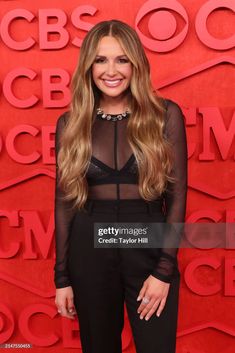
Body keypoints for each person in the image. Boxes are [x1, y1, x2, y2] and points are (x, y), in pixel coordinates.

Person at [54, 19, 187, 353]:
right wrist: (62, 278)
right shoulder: (71, 123)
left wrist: (163, 271)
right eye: (101, 59)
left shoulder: (164, 115)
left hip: (148, 246)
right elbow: (65, 201)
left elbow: (176, 195)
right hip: (89, 249)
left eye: (121, 59)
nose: (111, 70)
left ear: (136, 65)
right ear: (88, 65)